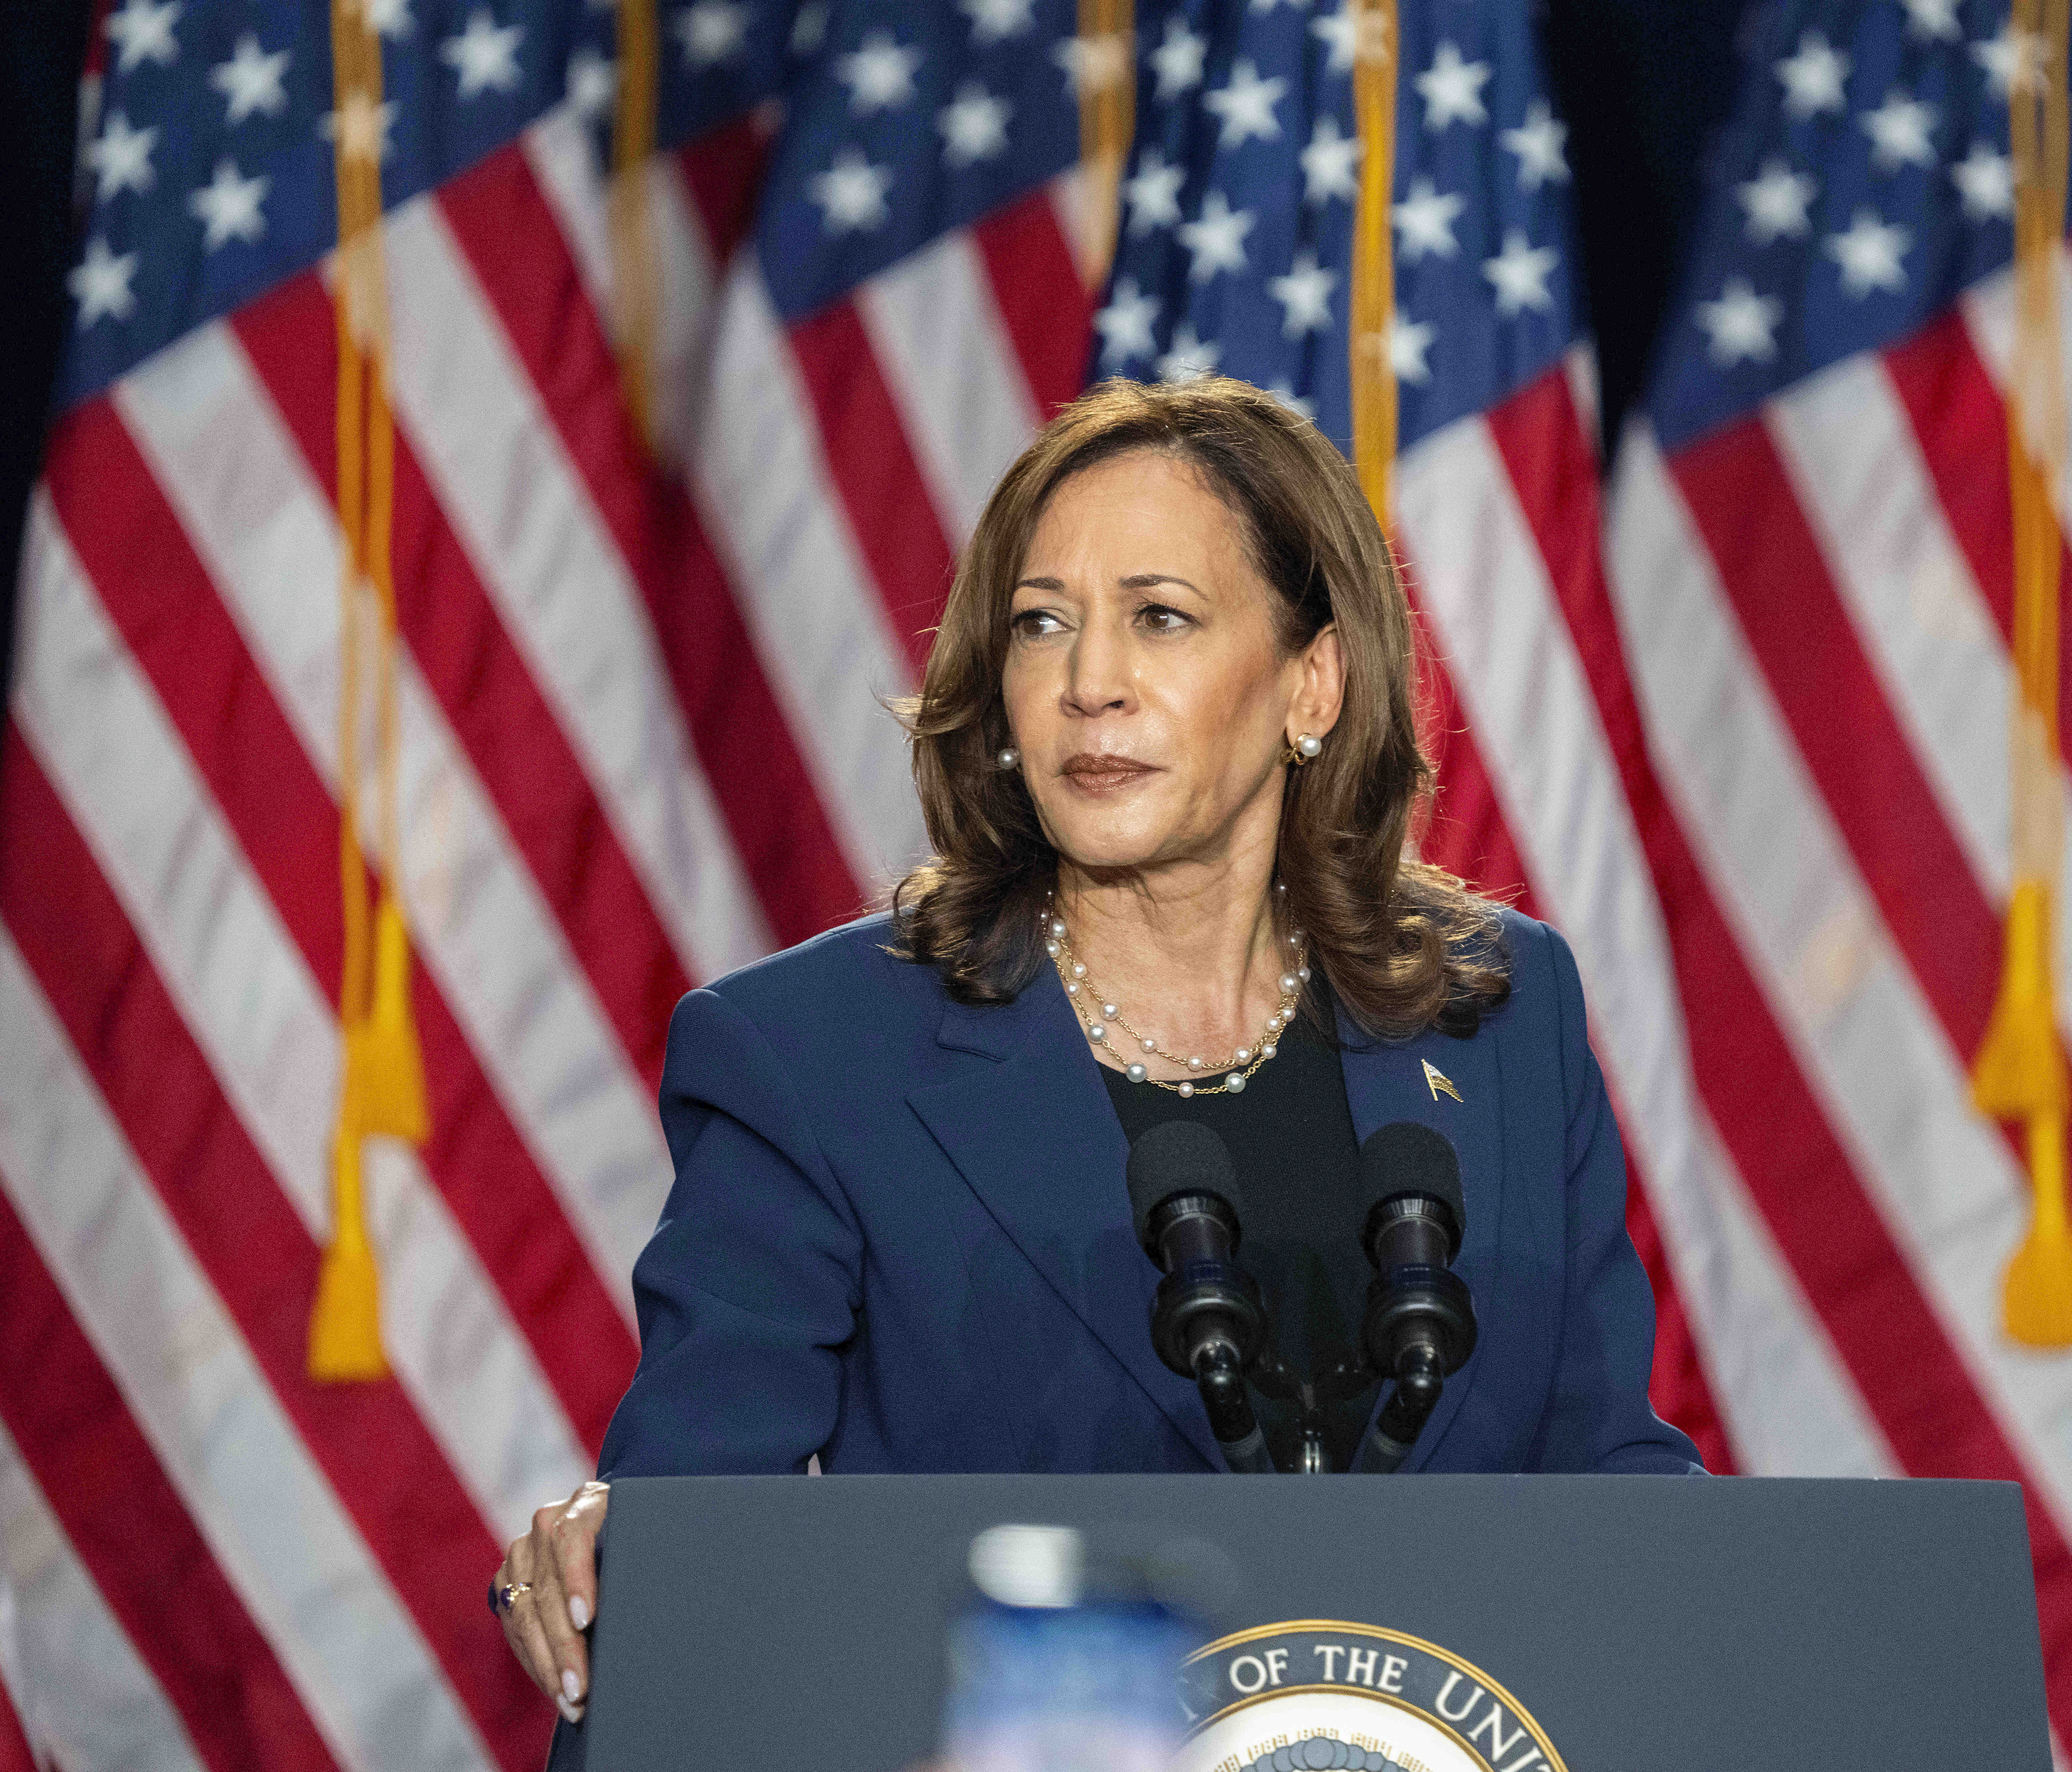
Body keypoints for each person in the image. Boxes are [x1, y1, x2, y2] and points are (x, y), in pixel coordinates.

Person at [488, 376, 1702, 1722]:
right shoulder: (813, 1058)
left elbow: (1612, 1482)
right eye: (1042, 625)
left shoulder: (1500, 1014)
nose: (1088, 686)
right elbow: (696, 1544)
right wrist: (623, 1554)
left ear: (1312, 684)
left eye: (1160, 618)